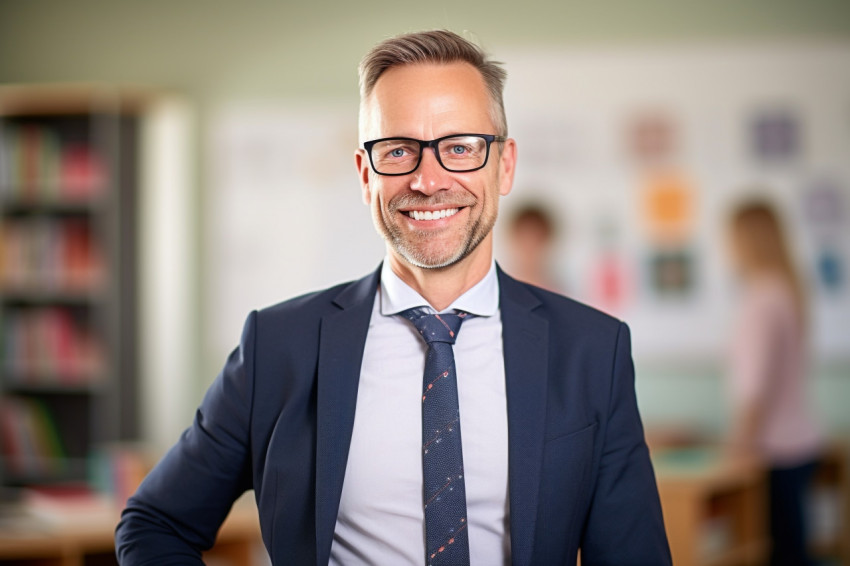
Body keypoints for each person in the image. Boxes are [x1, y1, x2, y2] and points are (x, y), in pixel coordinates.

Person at [115, 30, 671, 565]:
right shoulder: (277, 345)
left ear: (504, 165)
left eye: (459, 147)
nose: (428, 180)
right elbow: (154, 524)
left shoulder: (593, 351)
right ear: (364, 174)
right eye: (399, 150)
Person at [725, 200, 822, 566]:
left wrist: (737, 447)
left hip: (773, 449)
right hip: (800, 442)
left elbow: (754, 388)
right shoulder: (786, 291)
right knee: (793, 546)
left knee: (781, 552)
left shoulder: (761, 298)